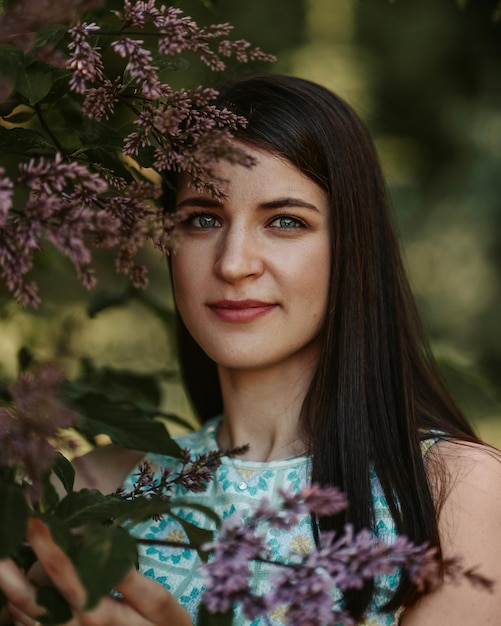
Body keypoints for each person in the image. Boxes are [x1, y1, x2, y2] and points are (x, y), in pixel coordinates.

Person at [1, 74, 501, 626]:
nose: (233, 263)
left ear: (353, 247)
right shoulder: (96, 491)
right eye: (202, 219)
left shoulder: (452, 493)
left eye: (285, 221)